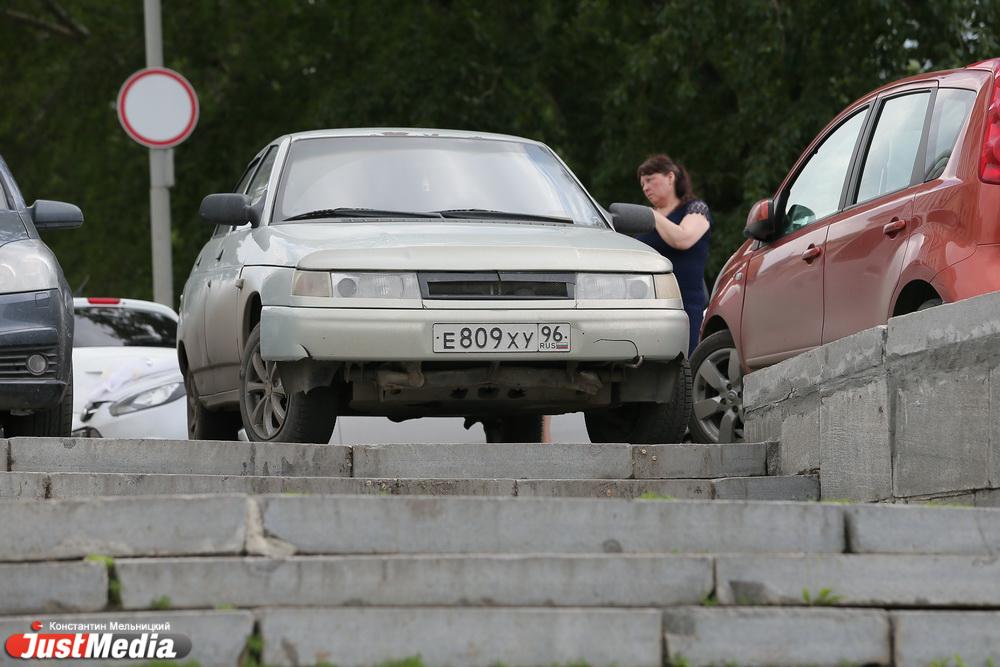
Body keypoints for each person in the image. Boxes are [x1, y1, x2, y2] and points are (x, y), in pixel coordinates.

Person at [635, 154, 712, 355]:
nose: (645, 188)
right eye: (642, 183)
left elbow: (683, 239)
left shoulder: (695, 208)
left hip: (686, 305)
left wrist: (653, 215)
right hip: (649, 306)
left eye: (650, 180)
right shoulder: (646, 220)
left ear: (670, 177)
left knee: (685, 362)